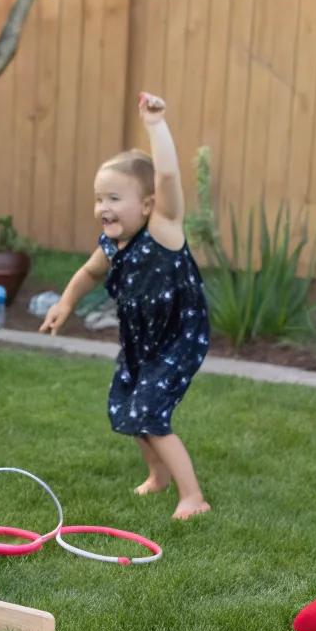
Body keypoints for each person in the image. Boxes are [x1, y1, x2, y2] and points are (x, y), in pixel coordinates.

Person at [40, 93, 210, 519]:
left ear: (149, 205)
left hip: (178, 338)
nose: (103, 208)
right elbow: (89, 273)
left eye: (115, 198)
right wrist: (65, 303)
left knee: (150, 411)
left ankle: (194, 497)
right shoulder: (112, 246)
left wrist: (155, 125)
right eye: (99, 198)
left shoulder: (164, 230)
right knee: (127, 405)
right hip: (140, 341)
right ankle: (158, 475)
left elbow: (167, 176)